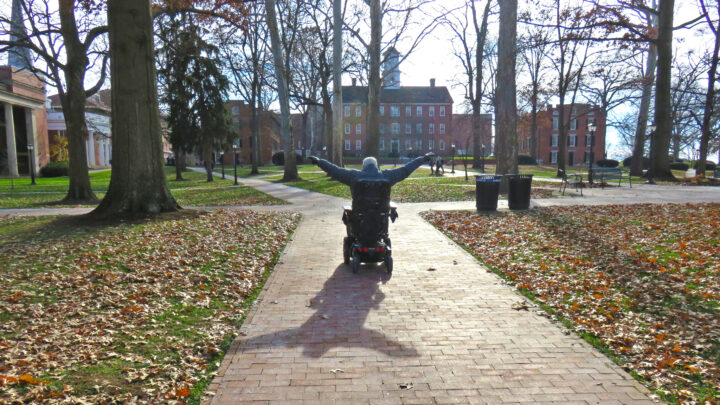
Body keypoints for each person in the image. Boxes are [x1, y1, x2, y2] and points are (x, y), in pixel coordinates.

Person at [308, 153, 435, 200]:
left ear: (364, 166)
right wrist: (422, 158)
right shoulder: (387, 176)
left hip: (360, 214)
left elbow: (335, 170)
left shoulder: (354, 176)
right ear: (376, 165)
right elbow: (406, 169)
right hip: (380, 215)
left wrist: (319, 162)